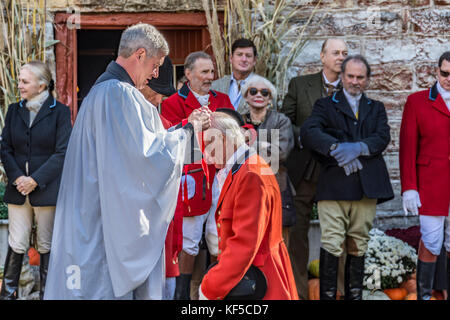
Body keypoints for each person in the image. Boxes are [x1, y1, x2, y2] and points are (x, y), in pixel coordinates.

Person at [44, 23, 207, 300]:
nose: (155, 75)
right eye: (155, 65)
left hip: (89, 212)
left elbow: (132, 153)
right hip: (102, 223)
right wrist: (189, 130)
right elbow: (145, 158)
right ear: (140, 55)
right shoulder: (120, 94)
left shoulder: (99, 92)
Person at [300, 54, 394, 300]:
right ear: (341, 77)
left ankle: (355, 296)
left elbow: (382, 136)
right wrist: (337, 149)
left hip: (366, 187)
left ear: (368, 80)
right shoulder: (325, 105)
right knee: (331, 241)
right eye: (350, 76)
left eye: (360, 77)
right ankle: (328, 296)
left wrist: (359, 148)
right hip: (334, 186)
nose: (355, 82)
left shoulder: (376, 109)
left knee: (359, 243)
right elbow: (310, 132)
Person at [199, 112, 298, 300]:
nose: (207, 157)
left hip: (261, 281)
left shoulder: (250, 173)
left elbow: (244, 243)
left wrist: (211, 287)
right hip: (251, 277)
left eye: (208, 147)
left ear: (222, 139)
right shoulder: (244, 168)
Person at [161, 51, 234, 300]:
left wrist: (246, 132)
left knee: (219, 235)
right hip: (192, 179)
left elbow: (236, 127)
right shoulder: (172, 102)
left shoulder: (222, 98)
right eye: (204, 72)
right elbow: (172, 139)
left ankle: (216, 292)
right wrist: (194, 125)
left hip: (221, 177)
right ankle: (181, 297)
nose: (210, 77)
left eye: (212, 72)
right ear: (188, 74)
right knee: (189, 241)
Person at [280, 38, 348, 299]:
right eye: (335, 53)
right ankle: (298, 293)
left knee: (337, 234)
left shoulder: (352, 87)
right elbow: (285, 121)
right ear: (322, 57)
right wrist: (311, 137)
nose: (340, 57)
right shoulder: (300, 85)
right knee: (297, 236)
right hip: (302, 171)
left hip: (336, 173)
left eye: (344, 53)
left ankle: (339, 292)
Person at [0, 61, 72, 300]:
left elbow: (62, 152)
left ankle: (48, 296)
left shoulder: (60, 112)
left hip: (47, 190)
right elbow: (5, 148)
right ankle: (8, 295)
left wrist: (36, 180)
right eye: (20, 80)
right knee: (16, 242)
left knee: (46, 243)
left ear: (42, 85)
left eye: (24, 81)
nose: (19, 85)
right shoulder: (13, 110)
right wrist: (18, 177)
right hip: (18, 189)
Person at [399, 51, 450, 300]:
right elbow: (408, 148)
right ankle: (424, 296)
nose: (449, 78)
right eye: (445, 73)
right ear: (437, 71)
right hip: (431, 186)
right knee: (431, 240)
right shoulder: (417, 101)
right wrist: (409, 186)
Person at [240, 74, 295, 242]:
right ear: (246, 96)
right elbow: (230, 152)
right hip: (244, 188)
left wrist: (249, 144)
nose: (259, 95)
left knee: (277, 241)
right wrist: (265, 146)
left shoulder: (281, 121)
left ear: (270, 98)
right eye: (253, 91)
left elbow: (280, 153)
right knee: (247, 239)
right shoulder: (237, 120)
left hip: (275, 186)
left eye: (264, 92)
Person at [211, 38, 257, 114]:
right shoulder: (215, 87)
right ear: (231, 58)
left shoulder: (265, 89)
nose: (244, 59)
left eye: (248, 56)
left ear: (254, 60)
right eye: (239, 55)